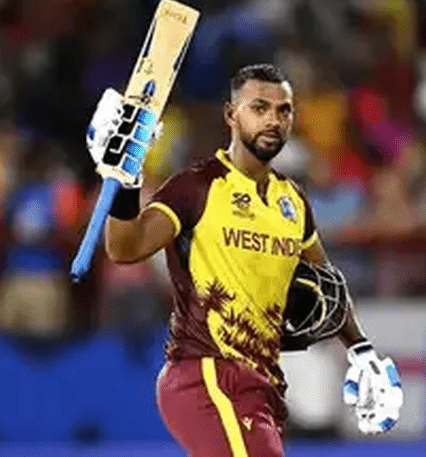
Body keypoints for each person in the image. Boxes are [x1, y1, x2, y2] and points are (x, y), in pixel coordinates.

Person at [85, 64, 403, 456]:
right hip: (206, 374)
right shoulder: (197, 187)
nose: (273, 120)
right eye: (259, 108)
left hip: (263, 383)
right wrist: (126, 180)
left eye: (284, 110)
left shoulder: (293, 201)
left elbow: (328, 284)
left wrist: (361, 350)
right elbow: (124, 248)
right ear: (231, 115)